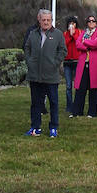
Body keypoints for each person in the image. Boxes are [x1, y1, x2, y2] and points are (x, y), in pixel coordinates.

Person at [22, 9, 66, 138]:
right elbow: (27, 48)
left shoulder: (57, 34)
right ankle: (35, 127)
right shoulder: (33, 33)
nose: (46, 22)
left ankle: (53, 127)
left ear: (51, 20)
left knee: (53, 103)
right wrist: (30, 61)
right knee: (36, 103)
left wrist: (55, 63)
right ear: (39, 20)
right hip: (35, 76)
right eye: (44, 20)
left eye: (48, 20)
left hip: (51, 76)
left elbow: (63, 50)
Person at [71, 15, 97, 118]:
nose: (91, 22)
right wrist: (87, 46)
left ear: (96, 23)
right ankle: (77, 111)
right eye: (89, 21)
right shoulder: (83, 33)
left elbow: (96, 43)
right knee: (80, 88)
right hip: (83, 63)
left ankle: (92, 112)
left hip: (95, 64)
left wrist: (85, 42)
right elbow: (77, 44)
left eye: (93, 21)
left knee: (93, 89)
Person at [62, 16, 81, 114]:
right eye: (70, 23)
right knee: (68, 86)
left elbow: (79, 42)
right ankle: (69, 106)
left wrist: (74, 35)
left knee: (77, 85)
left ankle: (77, 105)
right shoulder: (65, 34)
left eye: (73, 23)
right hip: (67, 62)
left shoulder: (80, 32)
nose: (72, 25)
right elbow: (64, 44)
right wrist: (70, 35)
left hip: (77, 62)